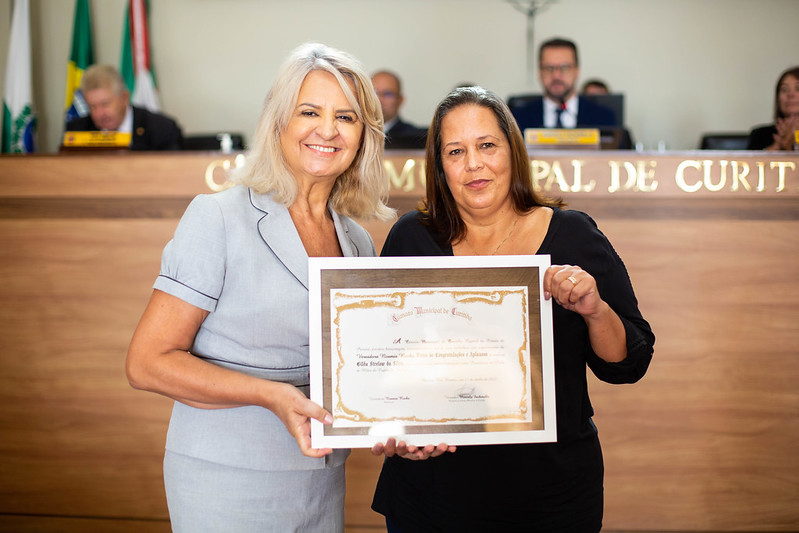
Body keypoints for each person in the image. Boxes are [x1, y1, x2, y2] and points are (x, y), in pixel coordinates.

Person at [126, 42, 393, 532]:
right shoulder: (218, 217)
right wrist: (271, 395)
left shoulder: (356, 240)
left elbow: (360, 369)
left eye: (347, 117)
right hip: (226, 477)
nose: (327, 130)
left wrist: (411, 418)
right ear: (278, 123)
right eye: (309, 111)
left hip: (323, 477)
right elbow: (147, 363)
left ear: (364, 136)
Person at [370, 86, 655, 532]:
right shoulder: (412, 239)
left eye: (487, 146)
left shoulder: (573, 236)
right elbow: (381, 366)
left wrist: (595, 310)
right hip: (431, 494)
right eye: (456, 151)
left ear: (513, 151)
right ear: (440, 166)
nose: (474, 164)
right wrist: (394, 430)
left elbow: (629, 364)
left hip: (549, 497)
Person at [65, 64, 183, 150]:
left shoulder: (162, 128)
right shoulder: (77, 130)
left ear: (125, 98)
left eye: (105, 104)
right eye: (93, 107)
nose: (99, 114)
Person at [511, 38, 617, 130]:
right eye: (549, 68)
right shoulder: (517, 119)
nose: (556, 75)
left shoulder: (604, 118)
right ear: (539, 72)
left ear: (577, 71)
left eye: (564, 67)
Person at [371, 70, 427, 149]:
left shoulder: (417, 138)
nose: (379, 99)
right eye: (374, 92)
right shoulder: (355, 132)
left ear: (400, 100)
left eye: (388, 94)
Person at [747, 66, 799, 151]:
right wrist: (778, 145)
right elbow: (750, 162)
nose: (790, 94)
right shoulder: (760, 135)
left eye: (798, 88)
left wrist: (794, 139)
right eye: (784, 90)